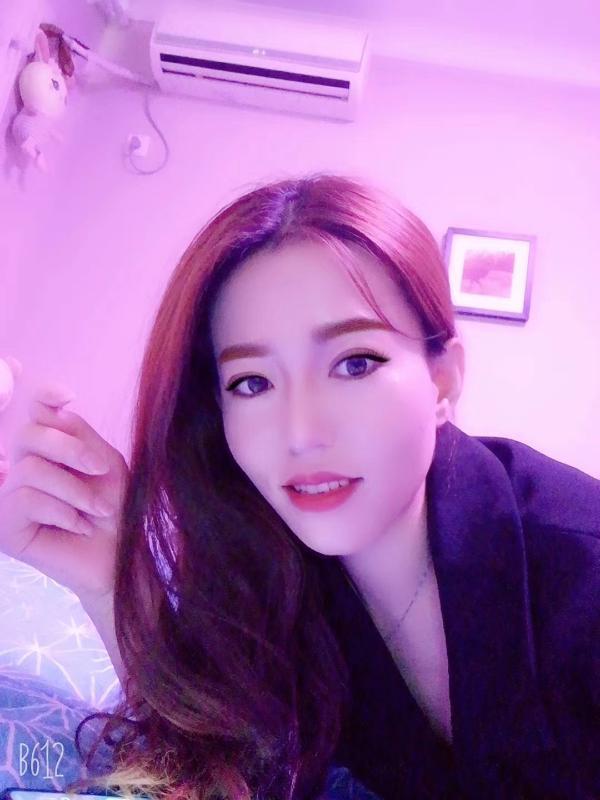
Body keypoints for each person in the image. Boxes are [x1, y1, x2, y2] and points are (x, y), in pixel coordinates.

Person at [0, 173, 598, 800]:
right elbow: (216, 748)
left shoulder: (581, 577)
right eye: (252, 383)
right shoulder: (270, 562)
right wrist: (112, 579)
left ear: (442, 380)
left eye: (355, 363)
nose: (301, 434)